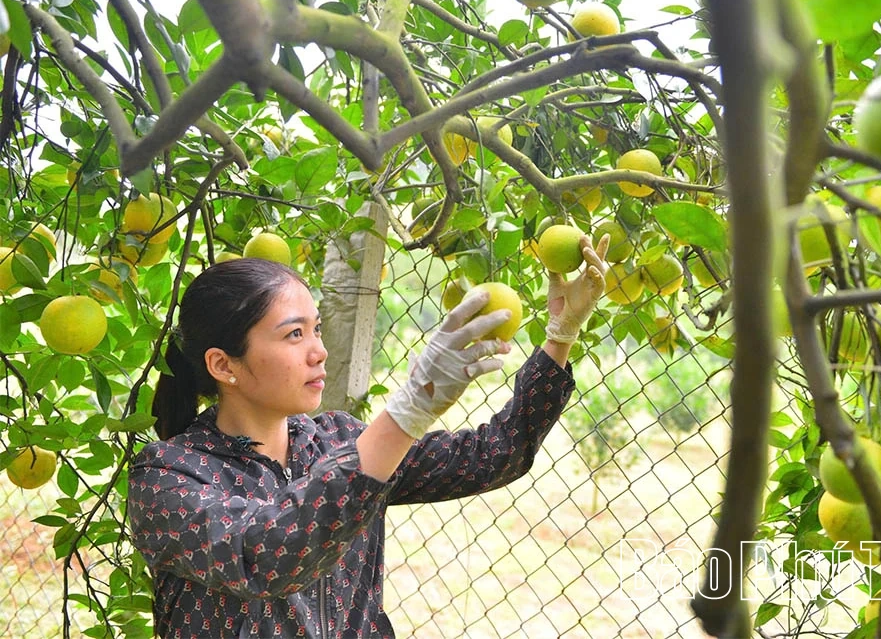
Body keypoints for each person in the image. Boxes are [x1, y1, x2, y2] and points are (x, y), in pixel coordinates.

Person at [127, 235, 609, 638]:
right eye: (294, 335)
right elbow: (266, 554)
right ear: (223, 365)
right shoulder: (167, 476)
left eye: (315, 330)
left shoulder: (337, 439)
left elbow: (496, 454)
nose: (318, 351)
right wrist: (406, 413)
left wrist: (560, 334)